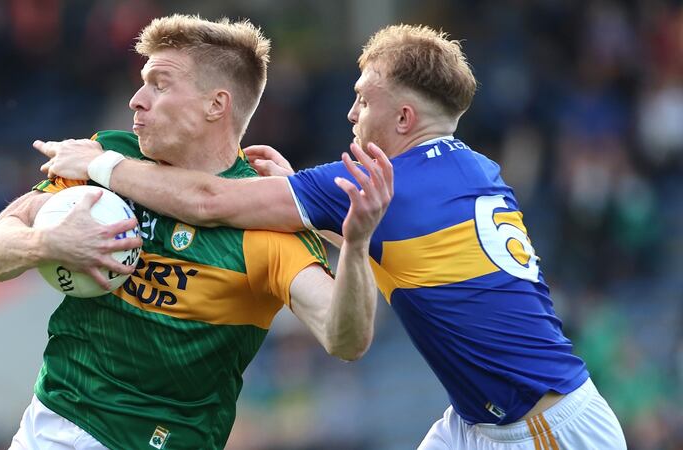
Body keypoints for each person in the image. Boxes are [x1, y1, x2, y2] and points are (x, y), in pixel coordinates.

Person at [38, 24, 628, 449]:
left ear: (403, 119)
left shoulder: (383, 180)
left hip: (542, 429)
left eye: (363, 98)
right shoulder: (473, 170)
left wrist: (99, 165)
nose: (350, 115)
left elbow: (207, 200)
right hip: (481, 421)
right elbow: (390, 237)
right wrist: (302, 194)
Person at [0, 15, 391, 450]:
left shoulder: (266, 227)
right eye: (141, 82)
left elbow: (346, 339)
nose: (136, 100)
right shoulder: (105, 157)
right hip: (50, 424)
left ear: (215, 105)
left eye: (159, 84)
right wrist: (45, 243)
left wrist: (355, 245)